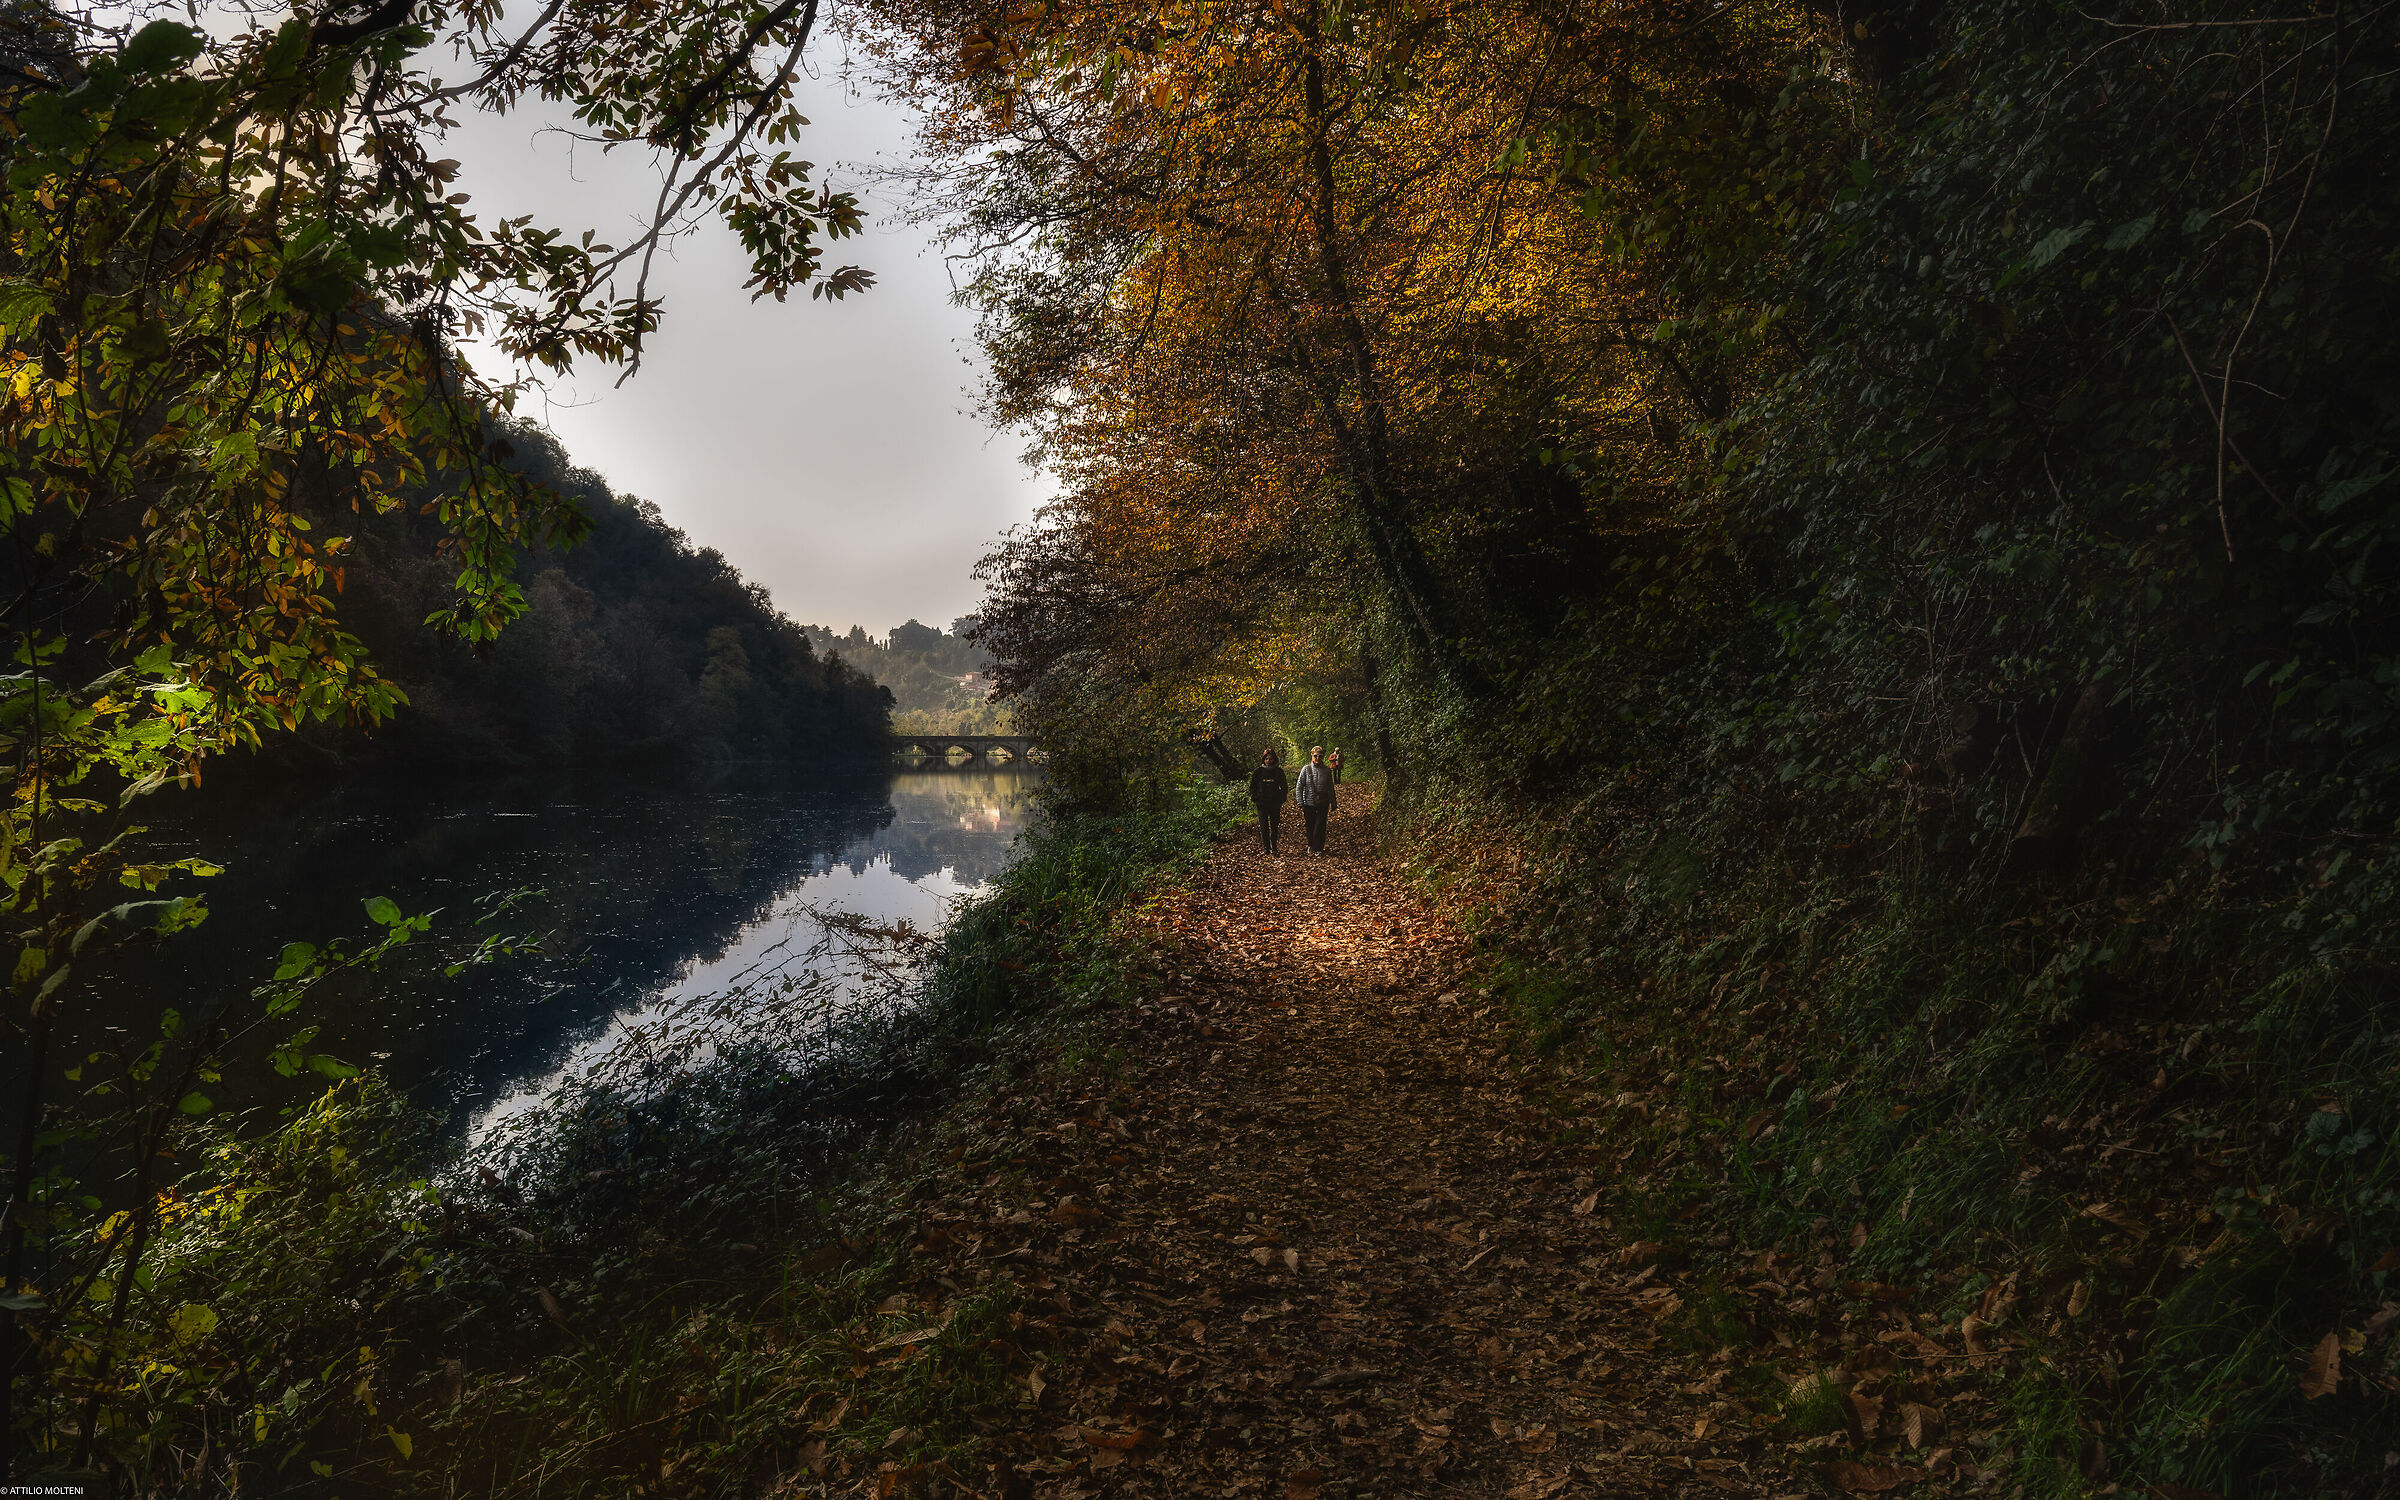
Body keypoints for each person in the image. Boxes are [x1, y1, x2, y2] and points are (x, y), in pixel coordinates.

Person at [1293, 744, 1336, 855]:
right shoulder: (1306, 769)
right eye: (1315, 756)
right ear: (1312, 756)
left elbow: (1330, 787)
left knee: (1320, 826)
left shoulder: (1327, 771)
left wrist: (1333, 802)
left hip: (1323, 802)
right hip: (1308, 802)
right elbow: (1299, 786)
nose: (1317, 758)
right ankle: (1311, 845)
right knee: (1310, 825)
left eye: (1320, 756)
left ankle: (1318, 848)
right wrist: (1300, 801)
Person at [1248, 747, 1289, 854]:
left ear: (1274, 759)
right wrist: (1256, 798)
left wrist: (1280, 799)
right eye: (1266, 759)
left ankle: (1274, 847)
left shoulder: (1278, 772)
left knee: (1274, 826)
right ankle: (1266, 848)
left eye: (1270, 759)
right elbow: (1252, 787)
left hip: (1275, 804)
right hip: (1262, 804)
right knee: (1264, 827)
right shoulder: (1258, 772)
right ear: (1263, 759)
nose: (1268, 761)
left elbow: (1284, 787)